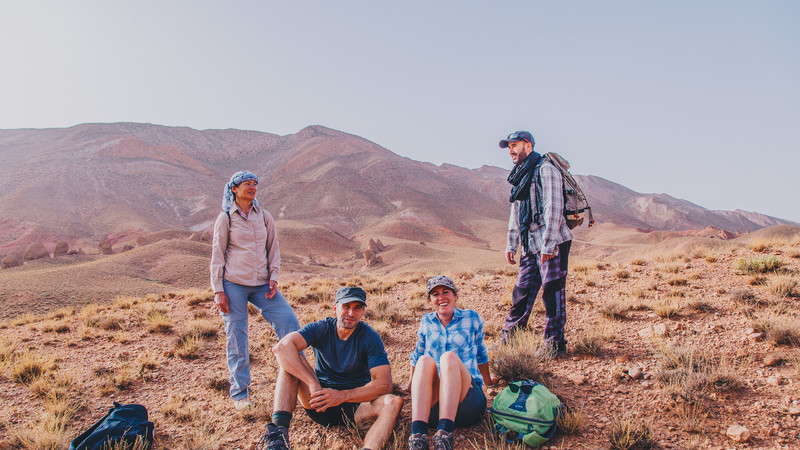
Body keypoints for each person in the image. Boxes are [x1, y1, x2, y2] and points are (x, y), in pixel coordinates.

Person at [263, 286, 403, 450]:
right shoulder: (321, 328)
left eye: (357, 308)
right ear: (335, 308)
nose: (351, 314)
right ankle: (278, 437)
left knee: (393, 402)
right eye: (346, 307)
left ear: (363, 312)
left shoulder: (370, 337)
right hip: (319, 401)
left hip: (356, 407)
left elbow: (384, 385)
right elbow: (281, 348)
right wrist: (313, 383)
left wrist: (341, 396)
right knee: (289, 362)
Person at [210, 170, 300, 410]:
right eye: (246, 184)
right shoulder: (226, 218)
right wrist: (218, 289)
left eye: (254, 184)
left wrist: (274, 277)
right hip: (233, 284)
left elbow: (273, 248)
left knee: (290, 324)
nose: (252, 187)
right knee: (237, 337)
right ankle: (240, 395)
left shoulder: (264, 216)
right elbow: (217, 255)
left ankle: (297, 379)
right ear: (234, 189)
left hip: (263, 284)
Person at [499, 131, 573, 356]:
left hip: (552, 242)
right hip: (530, 244)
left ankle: (554, 345)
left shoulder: (545, 169)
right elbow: (517, 210)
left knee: (552, 294)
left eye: (515, 145)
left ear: (528, 146)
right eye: (509, 147)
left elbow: (554, 206)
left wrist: (549, 244)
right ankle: (509, 341)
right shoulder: (520, 174)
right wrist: (512, 244)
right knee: (521, 293)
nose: (511, 150)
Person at [405, 275, 497, 450]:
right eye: (435, 294)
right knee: (425, 360)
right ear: (430, 300)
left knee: (448, 357)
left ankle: (445, 434)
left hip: (467, 402)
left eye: (445, 292)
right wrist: (410, 383)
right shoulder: (426, 321)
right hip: (434, 408)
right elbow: (417, 354)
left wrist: (488, 381)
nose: (441, 298)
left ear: (455, 296)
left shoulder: (471, 317)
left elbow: (481, 354)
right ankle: (418, 436)